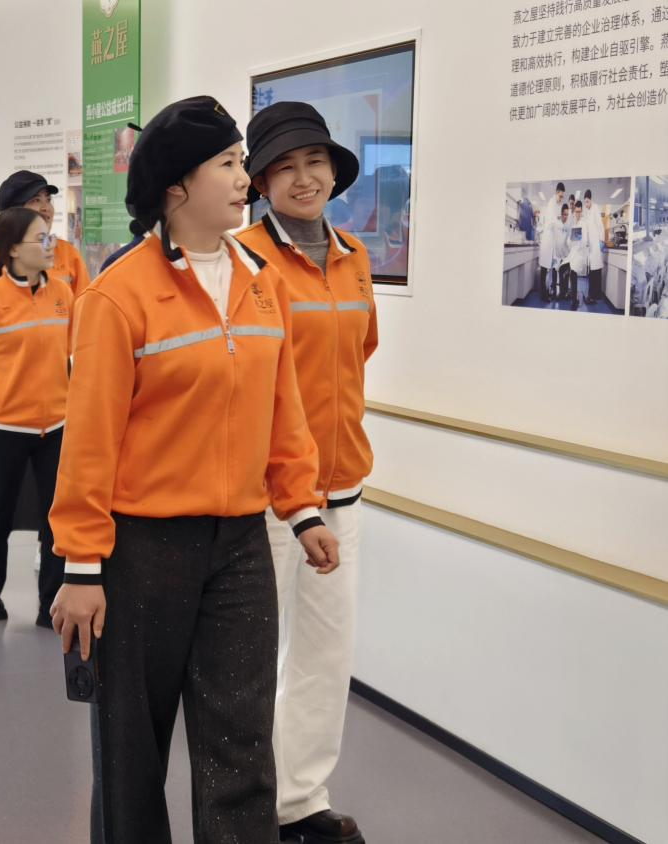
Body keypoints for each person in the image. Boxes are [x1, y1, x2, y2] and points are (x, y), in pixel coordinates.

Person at [49, 96, 340, 844]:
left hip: (240, 544)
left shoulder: (260, 281)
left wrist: (302, 508)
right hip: (142, 549)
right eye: (229, 165)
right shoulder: (117, 294)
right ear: (177, 185)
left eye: (242, 163)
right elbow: (90, 439)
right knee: (132, 747)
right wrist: (81, 567)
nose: (246, 179)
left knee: (241, 740)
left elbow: (284, 409)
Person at [239, 101, 376, 844]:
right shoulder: (242, 260)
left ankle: (300, 800)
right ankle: (243, 802)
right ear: (260, 182)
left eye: (314, 161)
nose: (303, 178)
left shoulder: (354, 257)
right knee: (251, 658)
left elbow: (360, 352)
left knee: (326, 653)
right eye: (284, 167)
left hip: (342, 488)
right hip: (265, 496)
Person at [0, 207, 72, 626]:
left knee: (57, 517)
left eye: (50, 236)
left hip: (57, 424)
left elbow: (72, 352)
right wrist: (3, 392)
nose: (50, 245)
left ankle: (52, 603)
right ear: (13, 250)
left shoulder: (63, 294)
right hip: (4, 424)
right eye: (41, 239)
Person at [537, 182, 566, 303]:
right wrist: (562, 226)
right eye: (560, 196)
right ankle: (543, 295)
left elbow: (557, 222)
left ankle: (546, 292)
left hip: (551, 242)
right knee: (544, 270)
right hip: (547, 241)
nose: (561, 198)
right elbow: (553, 221)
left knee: (548, 269)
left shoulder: (556, 205)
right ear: (556, 192)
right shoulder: (551, 204)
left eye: (562, 197)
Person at [582, 189, 606, 306]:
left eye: (587, 201)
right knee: (593, 270)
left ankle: (593, 295)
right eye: (585, 202)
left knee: (595, 271)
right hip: (591, 245)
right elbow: (587, 228)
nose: (586, 204)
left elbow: (600, 226)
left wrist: (602, 240)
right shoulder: (587, 212)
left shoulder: (595, 208)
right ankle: (594, 295)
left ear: (590, 200)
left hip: (596, 244)